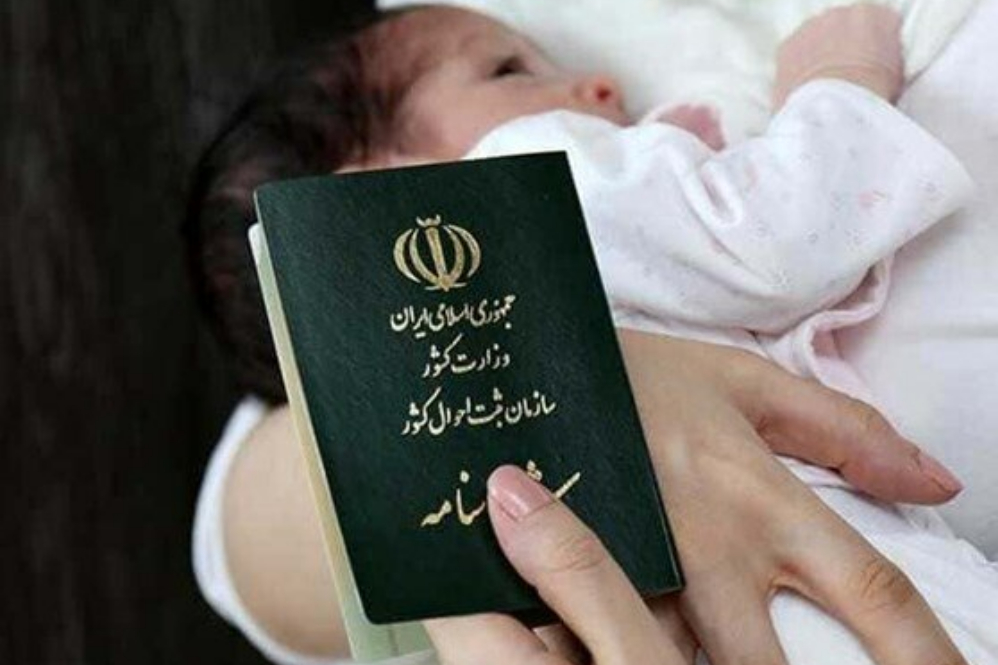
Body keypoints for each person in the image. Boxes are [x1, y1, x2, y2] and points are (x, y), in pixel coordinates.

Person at [184, 4, 998, 665]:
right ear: (366, 204)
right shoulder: (513, 181)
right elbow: (773, 236)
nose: (601, 85)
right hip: (826, 577)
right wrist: (840, 79)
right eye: (511, 72)